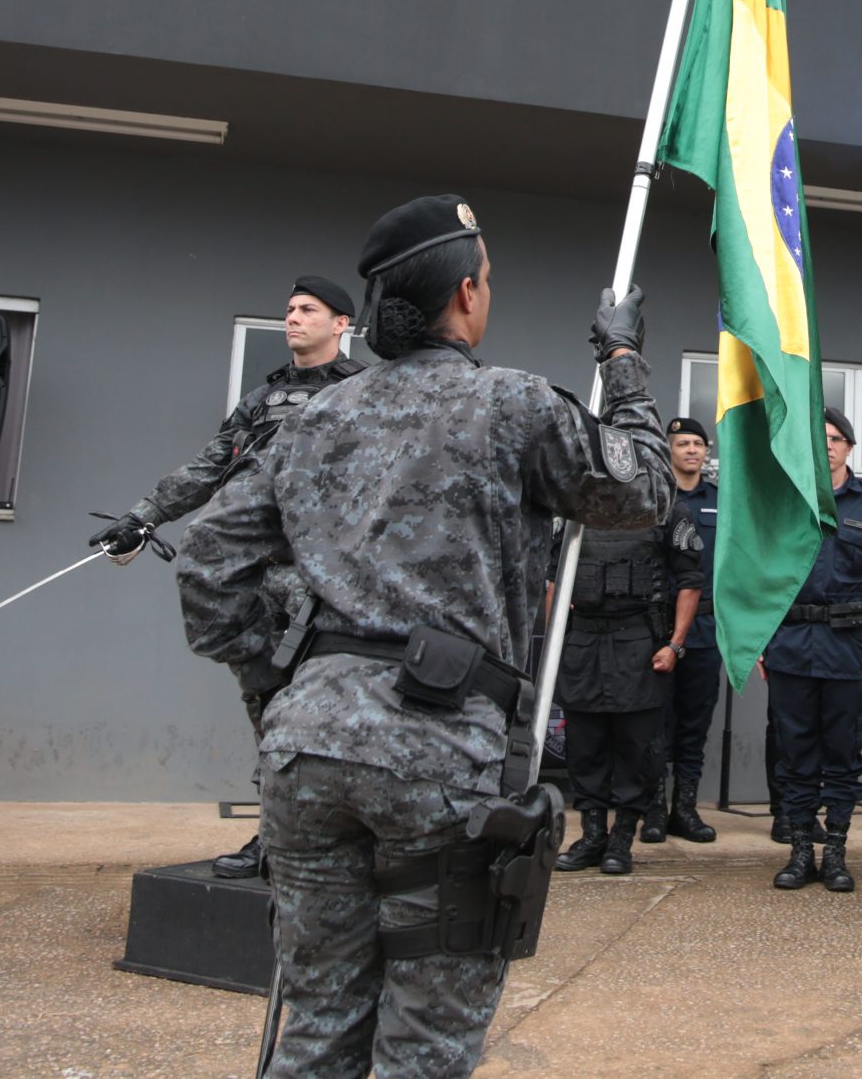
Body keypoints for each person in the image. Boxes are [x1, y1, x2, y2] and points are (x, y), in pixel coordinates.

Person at [174, 195, 672, 1077]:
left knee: (320, 1023)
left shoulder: (310, 420)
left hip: (308, 753)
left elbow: (209, 563)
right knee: (424, 1048)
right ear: (468, 294)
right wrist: (623, 357)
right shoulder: (510, 404)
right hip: (440, 753)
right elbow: (641, 490)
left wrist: (279, 687)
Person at [94, 273, 363, 880]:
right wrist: (142, 516)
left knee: (322, 714)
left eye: (308, 309)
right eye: (289, 309)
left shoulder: (366, 394)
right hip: (257, 578)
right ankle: (275, 839)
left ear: (342, 324)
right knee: (267, 707)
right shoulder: (261, 401)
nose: (293, 318)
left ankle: (326, 845)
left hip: (327, 582)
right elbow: (211, 465)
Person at [765, 409, 862, 892]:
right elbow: (756, 571)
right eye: (817, 437)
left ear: (849, 447)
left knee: (843, 754)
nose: (826, 445)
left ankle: (837, 854)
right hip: (788, 643)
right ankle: (801, 851)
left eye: (835, 438)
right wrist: (757, 640)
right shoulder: (784, 498)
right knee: (795, 753)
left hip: (847, 647)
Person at [547, 452, 703, 877]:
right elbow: (553, 579)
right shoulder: (577, 509)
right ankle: (592, 836)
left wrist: (675, 644)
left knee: (638, 749)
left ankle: (622, 840)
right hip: (583, 641)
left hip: (639, 641)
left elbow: (690, 582)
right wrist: (555, 639)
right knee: (585, 747)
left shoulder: (666, 507)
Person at [649, 417, 722, 845]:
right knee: (656, 723)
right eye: (683, 443)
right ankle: (654, 810)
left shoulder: (721, 500)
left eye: (698, 443)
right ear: (668, 450)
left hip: (706, 627)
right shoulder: (655, 498)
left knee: (695, 723)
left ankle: (685, 810)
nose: (692, 450)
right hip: (658, 626)